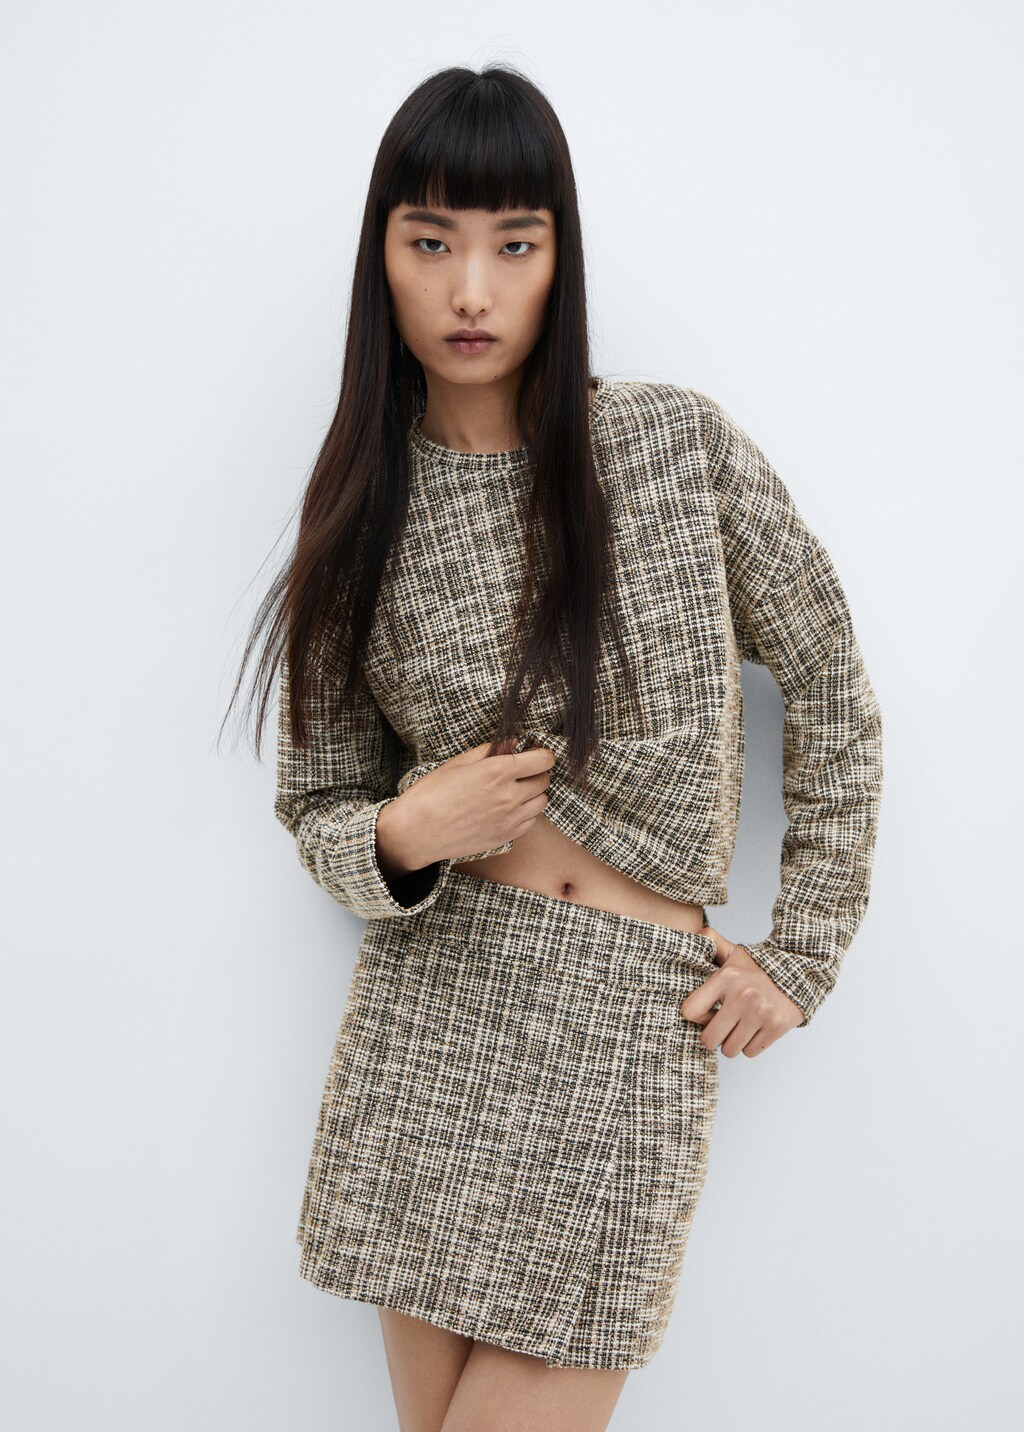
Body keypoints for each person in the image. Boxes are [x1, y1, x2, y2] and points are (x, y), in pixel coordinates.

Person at [230, 62, 884, 1432]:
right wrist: (405, 834)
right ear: (382, 260)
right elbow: (319, 802)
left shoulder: (669, 447)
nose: (471, 290)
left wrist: (805, 951)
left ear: (558, 259)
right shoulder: (359, 517)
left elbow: (830, 682)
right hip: (433, 1022)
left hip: (631, 1027)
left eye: (514, 245)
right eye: (431, 243)